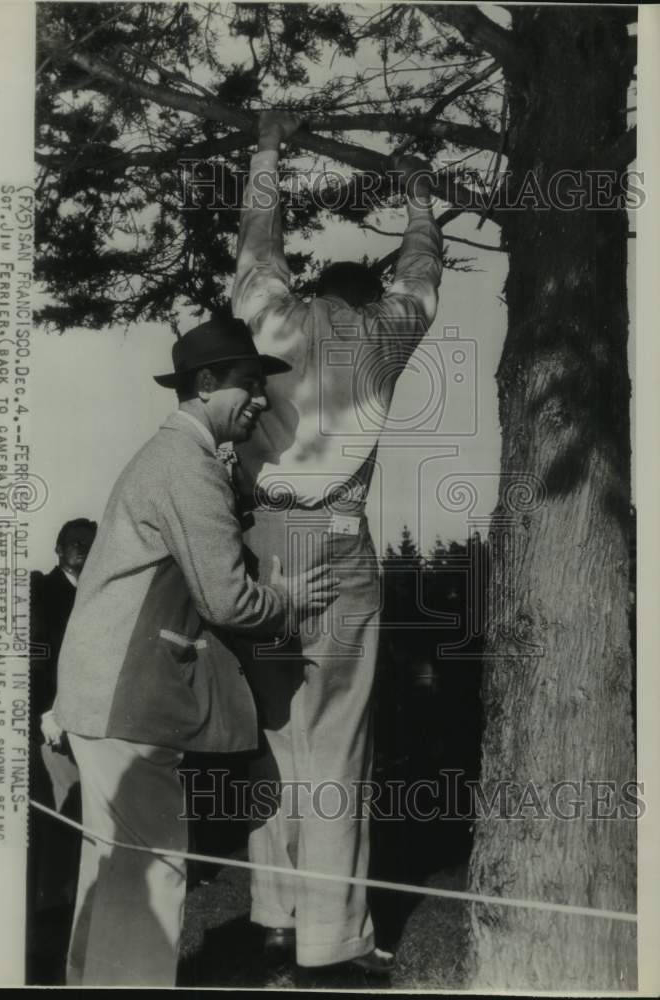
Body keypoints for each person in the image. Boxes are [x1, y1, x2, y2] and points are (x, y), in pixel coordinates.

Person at [52, 316, 339, 987]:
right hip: (127, 697)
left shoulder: (175, 457)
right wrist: (290, 602)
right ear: (205, 383)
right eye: (248, 383)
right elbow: (229, 602)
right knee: (149, 879)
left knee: (112, 870)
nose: (261, 399)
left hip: (101, 691)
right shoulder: (187, 464)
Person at [231, 110, 443, 972]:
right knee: (335, 749)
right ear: (370, 295)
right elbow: (424, 278)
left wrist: (269, 153)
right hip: (343, 540)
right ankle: (334, 937)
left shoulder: (279, 322)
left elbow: (257, 248)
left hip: (268, 538)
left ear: (317, 289)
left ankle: (273, 913)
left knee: (276, 738)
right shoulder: (386, 332)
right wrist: (421, 197)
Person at [27, 517, 97, 983]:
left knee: (80, 816)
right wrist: (45, 713)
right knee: (56, 814)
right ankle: (53, 907)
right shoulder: (43, 592)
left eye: (88, 546)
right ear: (57, 548)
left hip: (85, 720)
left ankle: (71, 899)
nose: (80, 551)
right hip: (51, 718)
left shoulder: (95, 595)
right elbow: (41, 658)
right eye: (73, 544)